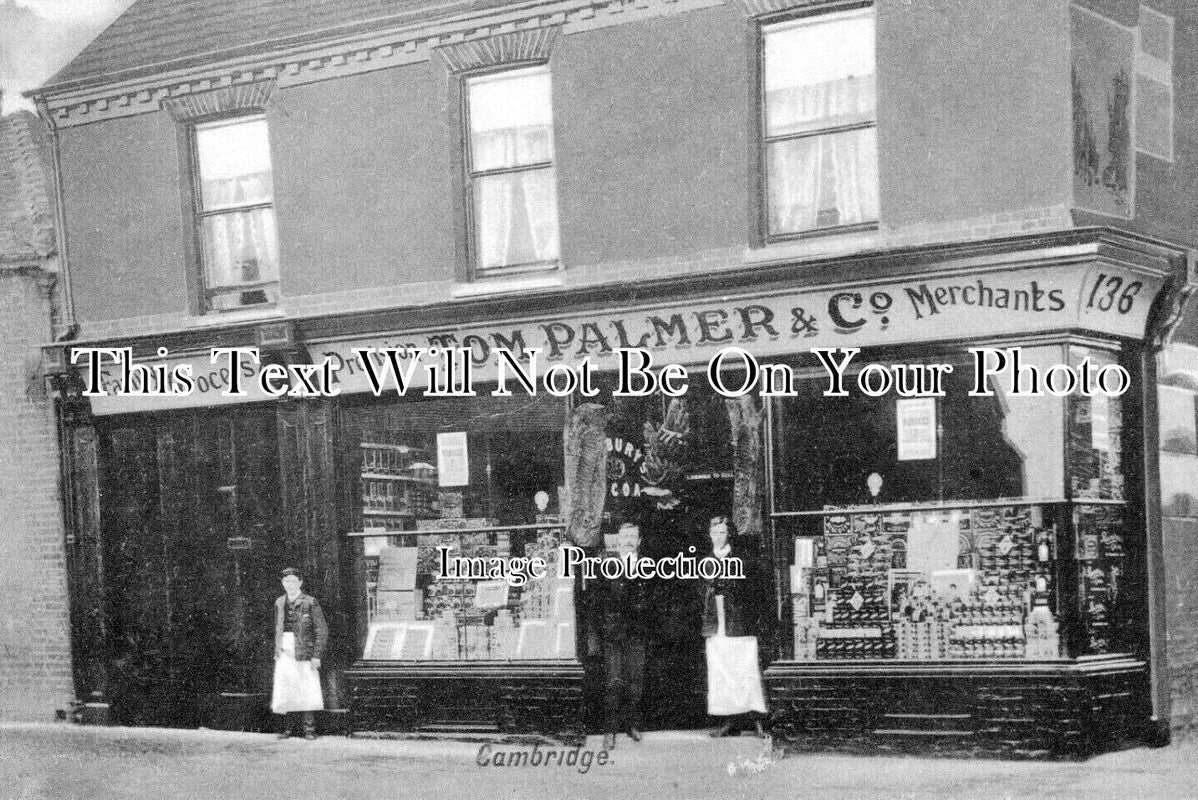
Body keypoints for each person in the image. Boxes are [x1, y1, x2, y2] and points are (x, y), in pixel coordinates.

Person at [702, 516, 769, 738]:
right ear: (710, 534)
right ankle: (730, 721)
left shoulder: (741, 560)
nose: (718, 537)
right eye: (715, 532)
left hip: (739, 622)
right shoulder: (705, 562)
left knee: (746, 669)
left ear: (728, 534)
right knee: (722, 672)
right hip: (716, 623)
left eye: (722, 532)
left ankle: (757, 719)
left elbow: (754, 592)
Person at [590, 522, 653, 751]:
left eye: (632, 536)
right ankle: (610, 730)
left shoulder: (648, 566)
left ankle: (632, 725)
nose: (628, 540)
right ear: (618, 540)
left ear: (638, 541)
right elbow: (597, 603)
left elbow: (654, 599)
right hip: (614, 635)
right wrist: (600, 633)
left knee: (636, 682)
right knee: (613, 682)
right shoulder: (608, 566)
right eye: (624, 536)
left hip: (637, 634)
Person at [272, 567, 328, 740]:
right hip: (284, 651)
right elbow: (277, 628)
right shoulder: (280, 602)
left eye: (293, 581)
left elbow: (321, 630)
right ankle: (288, 729)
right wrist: (278, 648)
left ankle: (309, 729)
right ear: (282, 583)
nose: (290, 584)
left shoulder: (310, 602)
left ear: (300, 583)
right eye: (286, 581)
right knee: (287, 687)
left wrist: (316, 655)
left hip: (304, 651)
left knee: (306, 688)